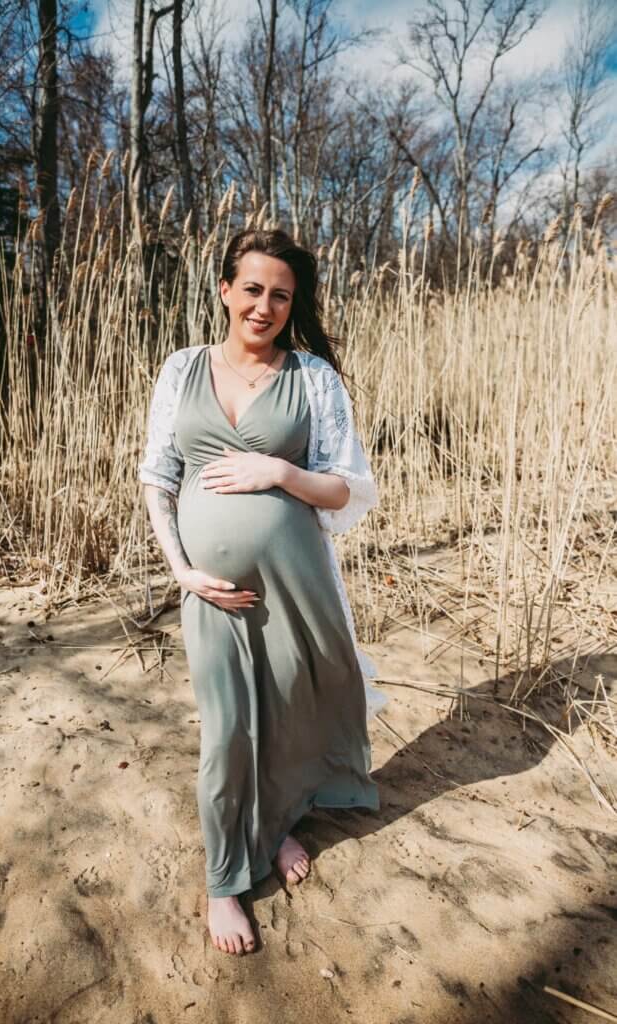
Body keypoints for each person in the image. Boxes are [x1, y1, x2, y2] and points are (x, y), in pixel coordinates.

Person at [139, 228, 388, 957]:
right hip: (209, 587)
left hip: (294, 580)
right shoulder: (182, 368)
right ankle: (224, 880)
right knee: (226, 733)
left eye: (281, 294)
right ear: (224, 289)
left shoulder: (311, 376)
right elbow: (157, 477)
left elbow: (347, 486)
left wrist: (276, 473)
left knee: (285, 711)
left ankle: (275, 828)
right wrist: (181, 569)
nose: (265, 305)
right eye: (252, 288)